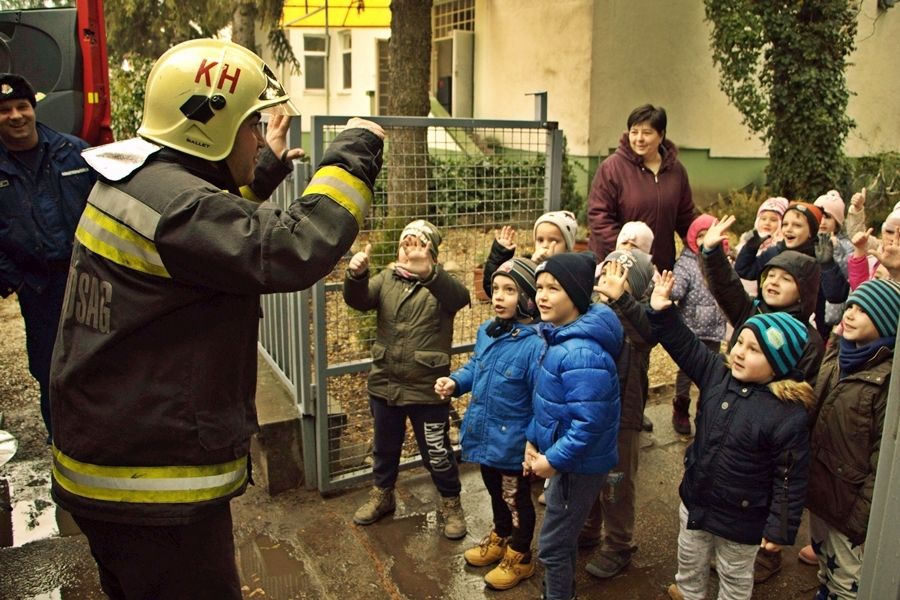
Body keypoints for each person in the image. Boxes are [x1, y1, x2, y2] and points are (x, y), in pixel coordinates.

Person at [48, 39, 384, 600]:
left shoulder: (142, 177)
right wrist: (356, 151)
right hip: (152, 487)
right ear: (214, 126)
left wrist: (263, 168)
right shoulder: (177, 205)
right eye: (250, 127)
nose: (257, 137)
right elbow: (294, 245)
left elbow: (201, 236)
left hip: (116, 456)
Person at [648, 272, 813, 600]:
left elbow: (789, 478)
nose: (739, 352)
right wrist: (662, 310)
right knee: (690, 558)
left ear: (778, 365)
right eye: (740, 342)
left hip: (743, 520)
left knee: (735, 576)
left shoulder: (787, 415)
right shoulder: (717, 374)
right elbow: (686, 346)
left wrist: (779, 529)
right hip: (697, 500)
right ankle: (690, 593)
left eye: (754, 350)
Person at [345, 219, 471, 539]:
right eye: (405, 242)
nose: (408, 248)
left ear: (431, 251)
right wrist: (356, 276)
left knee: (437, 452)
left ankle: (450, 501)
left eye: (417, 243)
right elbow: (359, 300)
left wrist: (427, 273)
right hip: (386, 384)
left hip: (427, 390)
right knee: (385, 448)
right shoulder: (387, 278)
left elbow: (460, 298)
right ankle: (383, 495)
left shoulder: (441, 285)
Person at [434, 258, 542, 590]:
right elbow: (477, 366)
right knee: (494, 490)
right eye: (495, 289)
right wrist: (455, 382)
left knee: (515, 499)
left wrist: (535, 442)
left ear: (527, 298)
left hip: (513, 443)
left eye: (509, 290)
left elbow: (542, 400)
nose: (498, 296)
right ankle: (501, 534)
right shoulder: (488, 330)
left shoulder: (535, 345)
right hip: (485, 436)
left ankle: (520, 555)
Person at [0, 72, 96, 437]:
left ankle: (105, 447)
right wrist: (14, 279)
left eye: (22, 106)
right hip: (39, 290)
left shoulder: (73, 152)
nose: (15, 115)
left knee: (98, 364)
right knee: (51, 371)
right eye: (4, 109)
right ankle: (65, 450)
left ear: (33, 109)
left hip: (88, 281)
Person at [524, 251, 623, 600]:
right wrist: (533, 441)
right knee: (560, 538)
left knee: (552, 545)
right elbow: (549, 403)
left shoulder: (582, 353)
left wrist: (553, 460)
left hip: (578, 464)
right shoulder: (557, 337)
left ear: (578, 295)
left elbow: (589, 424)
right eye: (539, 287)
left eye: (555, 288)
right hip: (566, 459)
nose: (543, 296)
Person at [804, 279, 900, 600]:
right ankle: (824, 588)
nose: (851, 313)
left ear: (886, 321)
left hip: (850, 503)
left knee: (848, 574)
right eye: (851, 306)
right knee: (823, 552)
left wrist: (861, 519)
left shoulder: (886, 380)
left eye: (864, 310)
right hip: (821, 487)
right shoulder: (838, 354)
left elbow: (881, 460)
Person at [582, 248, 656, 579]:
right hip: (592, 412)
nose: (609, 281)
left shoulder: (640, 321)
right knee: (588, 472)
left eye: (619, 276)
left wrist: (624, 301)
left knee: (617, 483)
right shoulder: (592, 312)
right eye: (606, 273)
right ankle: (589, 527)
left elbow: (648, 333)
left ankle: (619, 544)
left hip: (623, 418)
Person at [701, 215, 825, 388]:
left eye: (786, 279)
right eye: (770, 275)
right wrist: (712, 251)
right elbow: (726, 284)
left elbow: (802, 393)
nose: (773, 282)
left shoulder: (809, 340)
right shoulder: (750, 309)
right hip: (725, 396)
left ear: (802, 292)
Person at [587, 103, 696, 272]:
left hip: (660, 267)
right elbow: (599, 217)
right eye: (634, 132)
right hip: (618, 267)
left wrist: (705, 241)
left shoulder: (676, 171)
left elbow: (685, 217)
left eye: (647, 133)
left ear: (661, 136)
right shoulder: (612, 168)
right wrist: (627, 252)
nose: (639, 139)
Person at [734, 201, 849, 339]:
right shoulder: (775, 252)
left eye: (797, 225)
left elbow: (837, 295)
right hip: (766, 325)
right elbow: (744, 270)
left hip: (804, 334)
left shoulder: (819, 256)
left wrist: (827, 264)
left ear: (811, 231)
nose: (788, 229)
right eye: (785, 224)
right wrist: (751, 247)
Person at [669, 214, 727, 435]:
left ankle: (706, 410)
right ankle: (681, 407)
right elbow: (677, 290)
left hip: (714, 329)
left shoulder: (722, 260)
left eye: (709, 235)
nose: (705, 240)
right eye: (700, 236)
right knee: (686, 371)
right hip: (691, 328)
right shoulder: (687, 263)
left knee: (712, 371)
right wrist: (666, 287)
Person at [480, 209, 579, 299]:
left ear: (567, 247)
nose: (545, 245)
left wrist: (550, 266)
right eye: (540, 240)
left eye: (553, 240)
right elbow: (491, 287)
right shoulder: (526, 264)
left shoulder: (573, 272)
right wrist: (500, 254)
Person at [813, 191, 854, 331]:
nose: (822, 221)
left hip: (830, 308)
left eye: (828, 217)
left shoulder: (846, 246)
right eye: (819, 216)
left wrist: (836, 251)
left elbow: (847, 275)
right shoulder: (808, 240)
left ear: (837, 222)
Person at [735, 196, 789, 297]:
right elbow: (740, 269)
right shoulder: (748, 240)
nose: (767, 223)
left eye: (773, 220)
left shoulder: (780, 247)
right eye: (763, 218)